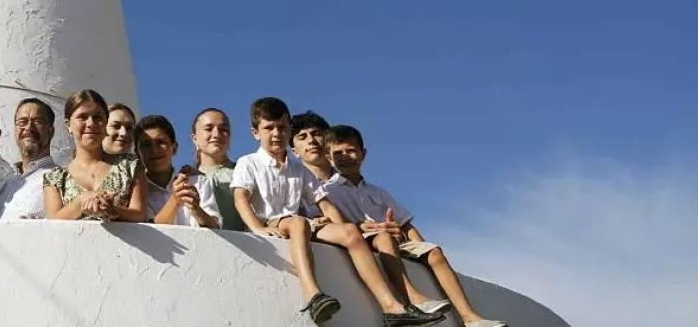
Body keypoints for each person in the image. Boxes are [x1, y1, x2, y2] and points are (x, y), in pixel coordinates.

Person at [231, 98, 442, 327]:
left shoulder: (298, 169)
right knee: (298, 223)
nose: (276, 133)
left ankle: (391, 307)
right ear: (255, 133)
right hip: (271, 222)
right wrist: (258, 227)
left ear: (289, 129)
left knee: (350, 232)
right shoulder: (248, 162)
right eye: (269, 128)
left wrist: (341, 227)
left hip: (297, 222)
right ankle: (313, 294)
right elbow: (240, 197)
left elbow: (325, 204)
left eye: (282, 127)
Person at [324, 125, 508, 327]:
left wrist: (422, 248)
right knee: (384, 238)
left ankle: (470, 317)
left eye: (351, 150)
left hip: (395, 241)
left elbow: (405, 224)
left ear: (363, 153)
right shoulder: (328, 191)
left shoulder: (378, 192)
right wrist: (362, 227)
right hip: (368, 241)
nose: (345, 156)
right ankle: (412, 300)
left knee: (435, 252)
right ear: (328, 157)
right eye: (338, 152)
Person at [43, 90, 147, 222]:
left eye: (98, 117)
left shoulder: (130, 166)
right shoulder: (54, 178)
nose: (90, 123)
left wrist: (112, 210)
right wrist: (82, 201)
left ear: (105, 123)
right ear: (68, 125)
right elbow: (52, 222)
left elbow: (139, 214)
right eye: (82, 117)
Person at [136, 114, 219, 228]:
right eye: (146, 145)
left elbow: (216, 227)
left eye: (161, 142)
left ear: (174, 148)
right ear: (137, 153)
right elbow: (147, 232)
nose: (154, 150)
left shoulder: (197, 182)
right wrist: (175, 199)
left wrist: (196, 209)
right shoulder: (136, 192)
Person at [0, 98, 59, 219]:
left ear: (51, 131)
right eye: (22, 122)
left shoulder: (61, 178)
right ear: (15, 130)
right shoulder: (3, 180)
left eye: (38, 121)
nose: (29, 128)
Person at [191, 107, 244, 231]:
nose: (216, 134)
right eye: (208, 129)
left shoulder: (244, 171)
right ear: (195, 138)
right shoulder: (187, 178)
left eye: (223, 129)